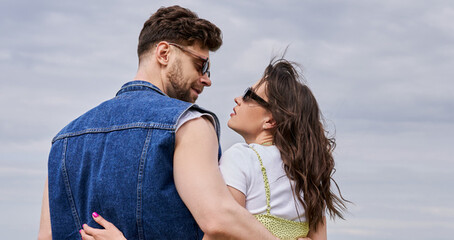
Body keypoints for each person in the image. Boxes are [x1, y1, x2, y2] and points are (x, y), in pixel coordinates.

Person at [38, 5, 278, 240]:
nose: (206, 80)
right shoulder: (188, 124)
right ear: (164, 54)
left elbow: (47, 235)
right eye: (201, 65)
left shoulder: (63, 140)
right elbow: (218, 219)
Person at [79, 58, 350, 240]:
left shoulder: (242, 158)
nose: (238, 99)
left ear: (271, 120)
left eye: (249, 95)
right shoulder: (307, 177)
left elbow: (218, 233)